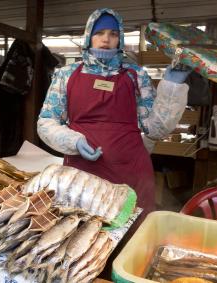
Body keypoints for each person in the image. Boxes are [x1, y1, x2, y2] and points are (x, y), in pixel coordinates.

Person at [37, 8, 191, 215]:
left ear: (120, 38)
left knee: (130, 229)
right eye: (99, 33)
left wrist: (172, 86)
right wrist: (74, 141)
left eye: (113, 34)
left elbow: (155, 128)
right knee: (82, 226)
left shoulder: (136, 75)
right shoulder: (66, 74)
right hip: (82, 170)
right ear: (88, 36)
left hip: (131, 168)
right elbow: (47, 122)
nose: (106, 39)